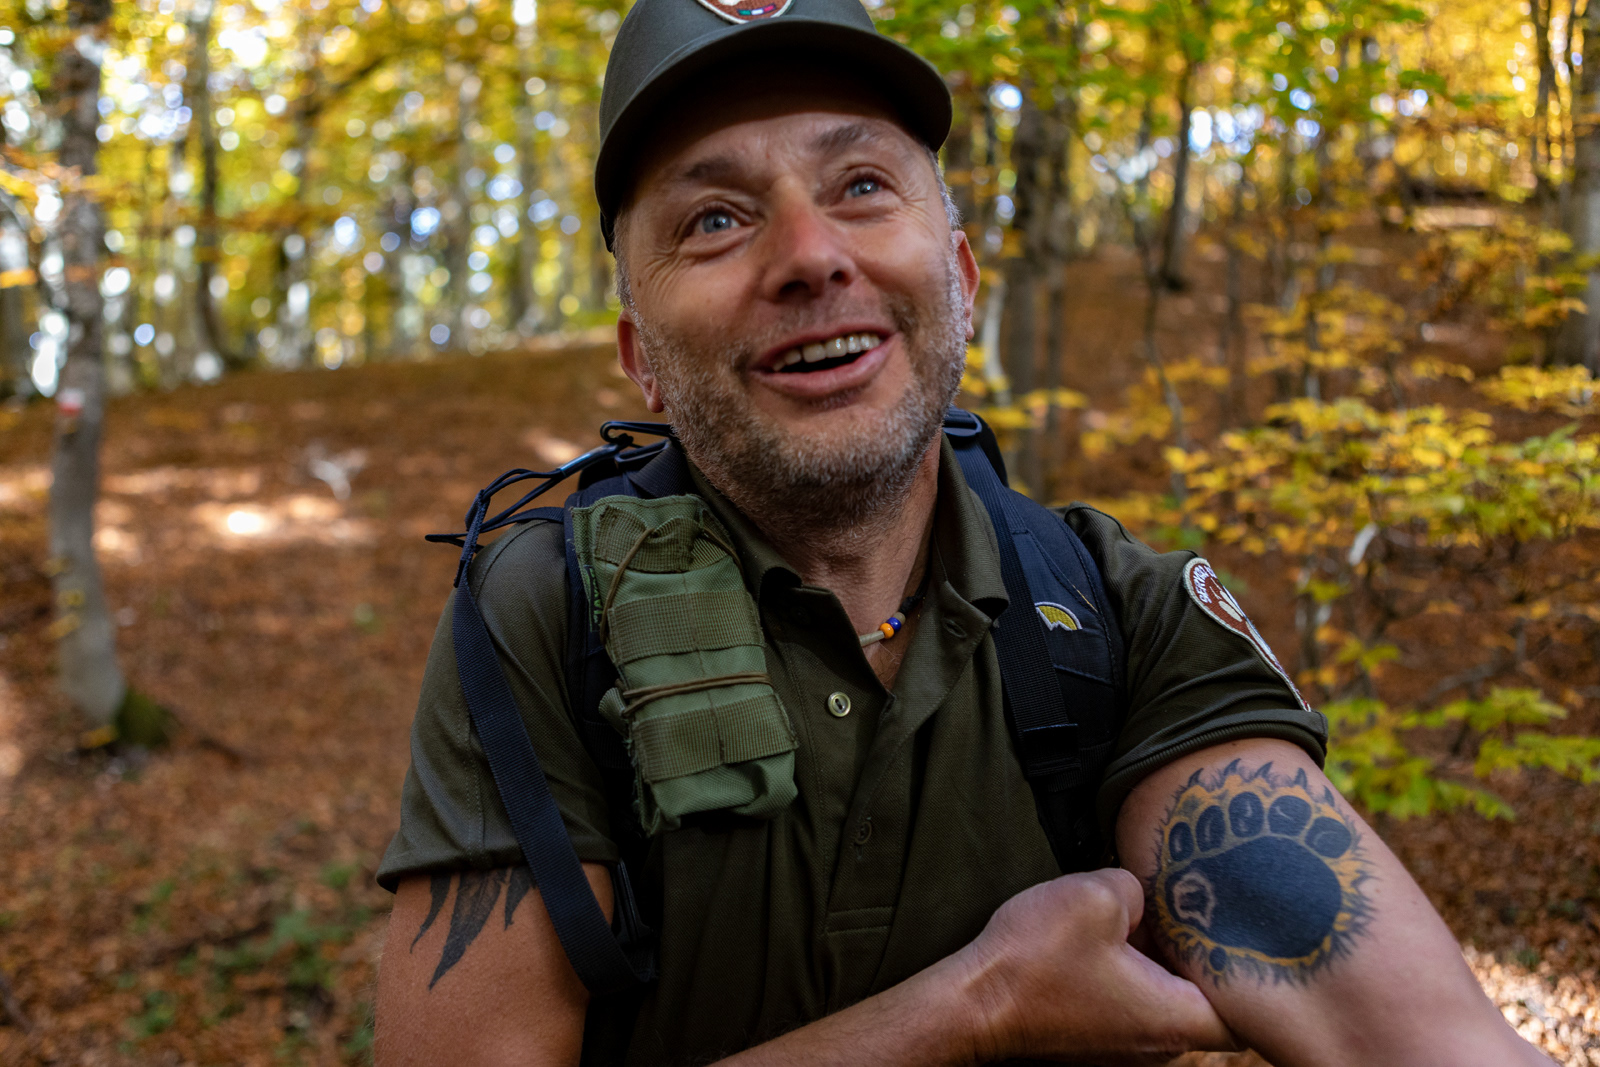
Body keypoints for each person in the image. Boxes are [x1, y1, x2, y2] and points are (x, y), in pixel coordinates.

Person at [372, 0, 1554, 1063]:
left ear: (962, 276)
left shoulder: (1113, 617)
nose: (811, 255)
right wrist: (972, 1006)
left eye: (862, 187)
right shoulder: (547, 618)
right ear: (641, 360)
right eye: (718, 218)